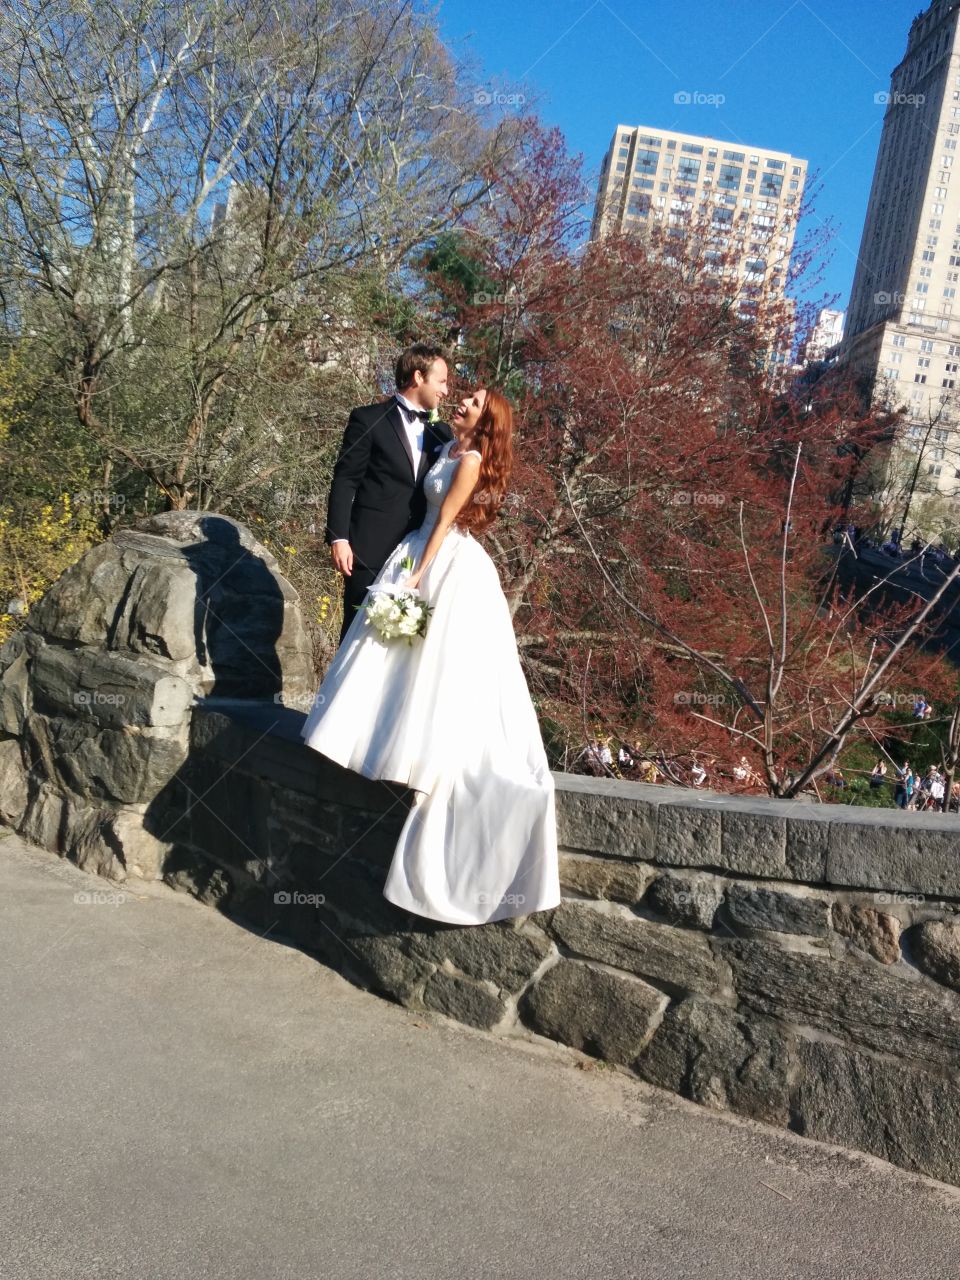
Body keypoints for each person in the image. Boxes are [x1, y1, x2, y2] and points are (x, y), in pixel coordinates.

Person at [301, 384, 561, 926]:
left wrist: (417, 576)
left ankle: (416, 753)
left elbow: (445, 521)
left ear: (485, 420)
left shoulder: (468, 459)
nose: (462, 400)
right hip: (413, 548)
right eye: (462, 394)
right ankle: (369, 739)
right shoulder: (445, 445)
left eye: (473, 401)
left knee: (432, 659)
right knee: (388, 651)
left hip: (442, 560)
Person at [326, 344, 454, 645]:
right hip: (368, 551)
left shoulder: (444, 434)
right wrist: (339, 537)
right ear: (419, 376)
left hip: (417, 555)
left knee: (405, 646)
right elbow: (345, 479)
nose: (446, 391)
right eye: (442, 381)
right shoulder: (367, 419)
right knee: (356, 640)